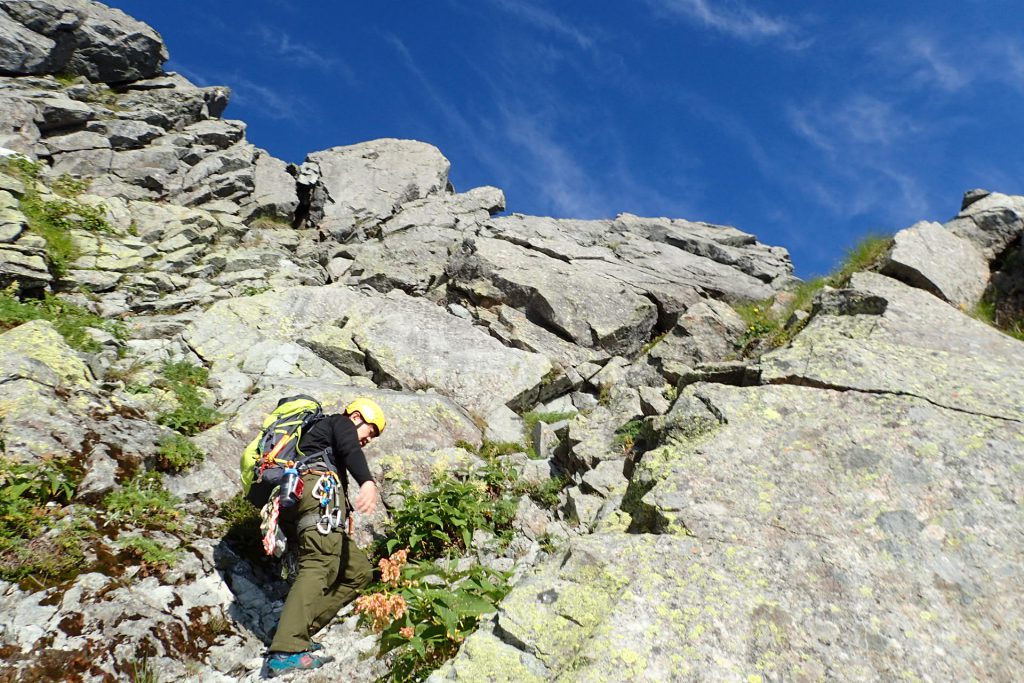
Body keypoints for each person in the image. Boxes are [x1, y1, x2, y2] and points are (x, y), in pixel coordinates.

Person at [265, 397, 386, 678]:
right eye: (371, 431)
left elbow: (346, 452)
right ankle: (286, 649)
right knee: (319, 563)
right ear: (357, 417)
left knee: (358, 571)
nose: (369, 440)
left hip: (325, 504)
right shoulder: (340, 423)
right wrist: (367, 481)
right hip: (318, 495)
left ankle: (295, 627)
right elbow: (350, 447)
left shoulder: (329, 441)